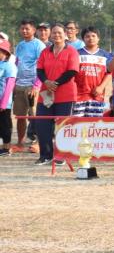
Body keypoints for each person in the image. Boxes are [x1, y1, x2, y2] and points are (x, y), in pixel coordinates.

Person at [34, 23, 79, 165]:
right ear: (50, 35)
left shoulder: (72, 51)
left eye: (59, 32)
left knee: (63, 126)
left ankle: (61, 155)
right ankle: (45, 155)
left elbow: (72, 71)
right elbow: (39, 70)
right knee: (42, 125)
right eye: (54, 32)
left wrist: (55, 83)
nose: (56, 35)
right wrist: (46, 82)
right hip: (46, 94)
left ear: (65, 34)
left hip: (66, 95)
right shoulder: (45, 51)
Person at [13, 20, 45, 150]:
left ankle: (39, 142)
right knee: (20, 116)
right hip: (19, 85)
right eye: (22, 28)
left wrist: (36, 86)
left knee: (35, 115)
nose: (24, 31)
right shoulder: (19, 45)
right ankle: (20, 142)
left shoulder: (39, 45)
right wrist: (14, 82)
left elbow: (42, 66)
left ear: (33, 30)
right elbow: (16, 63)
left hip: (33, 86)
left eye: (27, 28)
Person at [74, 26, 114, 118]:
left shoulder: (105, 55)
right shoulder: (76, 53)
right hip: (78, 96)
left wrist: (101, 87)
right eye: (87, 36)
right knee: (76, 123)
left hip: (97, 97)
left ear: (98, 38)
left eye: (93, 36)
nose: (90, 38)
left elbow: (109, 73)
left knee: (93, 124)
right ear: (83, 39)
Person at [0, 39, 17, 155]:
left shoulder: (9, 66)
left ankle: (6, 148)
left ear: (5, 52)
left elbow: (10, 85)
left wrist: (3, 103)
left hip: (4, 102)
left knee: (4, 125)